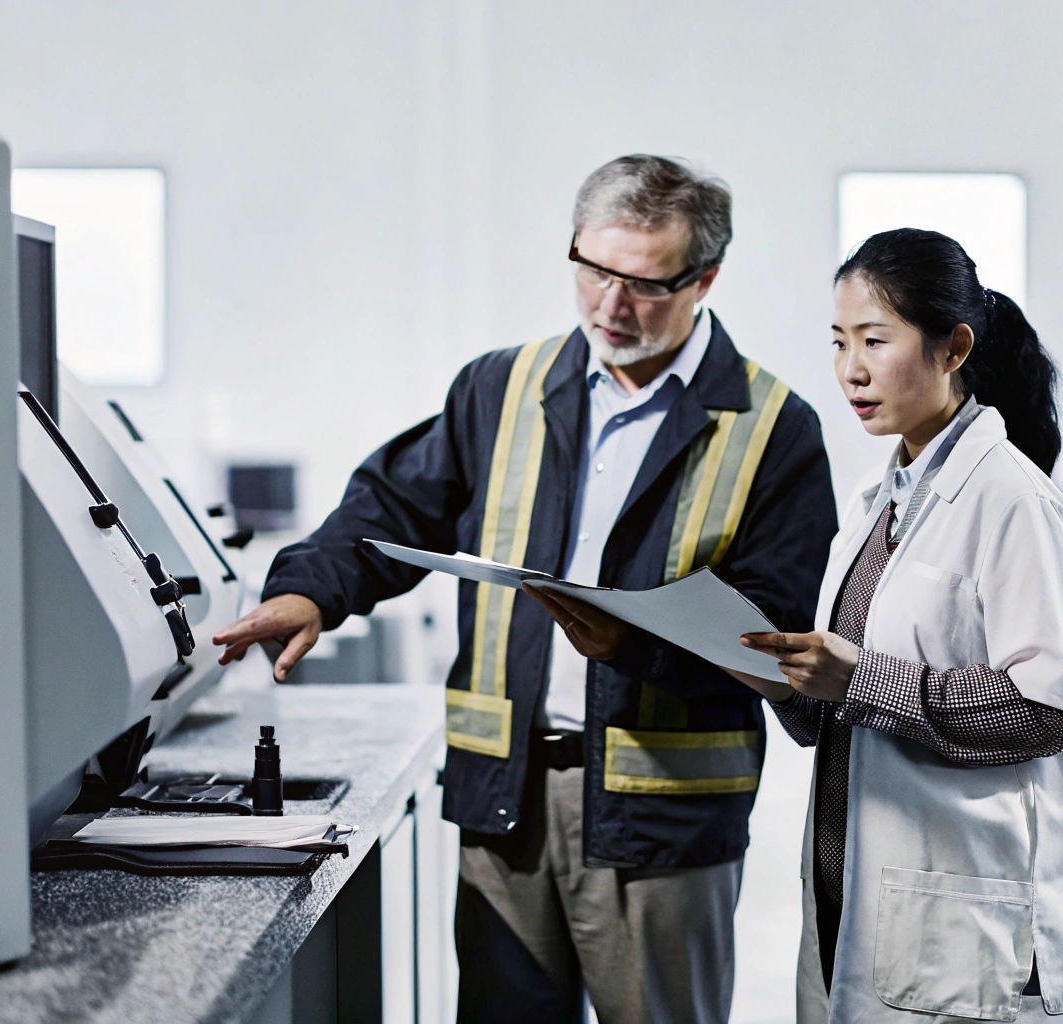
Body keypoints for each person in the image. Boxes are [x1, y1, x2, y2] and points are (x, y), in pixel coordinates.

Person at [213, 154, 838, 1024]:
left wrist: (635, 644)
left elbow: (772, 628)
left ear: (707, 280)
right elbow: (394, 506)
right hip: (506, 803)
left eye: (644, 284)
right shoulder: (500, 387)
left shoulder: (775, 429)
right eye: (592, 271)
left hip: (658, 821)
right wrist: (313, 592)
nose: (610, 307)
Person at [737, 228, 1063, 1023]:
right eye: (839, 343)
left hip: (955, 919)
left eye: (876, 340)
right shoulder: (879, 506)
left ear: (953, 349)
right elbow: (835, 715)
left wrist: (862, 680)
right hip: (855, 898)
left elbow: (1052, 709)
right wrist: (773, 676)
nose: (852, 370)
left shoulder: (1011, 502)